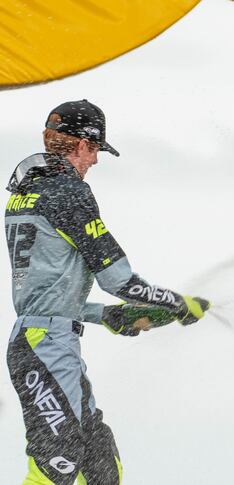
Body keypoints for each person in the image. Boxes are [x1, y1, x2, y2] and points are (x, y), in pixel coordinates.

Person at [5, 100, 211, 484]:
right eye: (96, 150)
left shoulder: (26, 191)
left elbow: (49, 292)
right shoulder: (68, 192)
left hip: (45, 342)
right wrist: (177, 304)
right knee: (58, 464)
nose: (95, 161)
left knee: (100, 465)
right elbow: (120, 281)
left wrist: (108, 316)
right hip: (44, 346)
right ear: (82, 144)